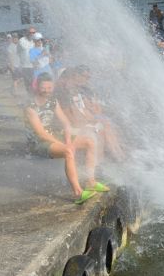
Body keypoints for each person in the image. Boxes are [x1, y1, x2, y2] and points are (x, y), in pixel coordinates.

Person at [25, 72, 109, 204]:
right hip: (38, 142)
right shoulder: (30, 107)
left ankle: (91, 181)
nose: (47, 91)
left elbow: (66, 123)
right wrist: (64, 144)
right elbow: (40, 133)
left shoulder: (53, 101)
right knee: (68, 152)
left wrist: (69, 141)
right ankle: (78, 193)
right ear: (37, 87)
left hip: (53, 137)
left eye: (49, 88)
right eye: (44, 88)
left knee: (90, 142)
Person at [19, 27, 36, 92]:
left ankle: (35, 96)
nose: (32, 34)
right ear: (27, 33)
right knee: (27, 83)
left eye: (33, 32)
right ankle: (29, 97)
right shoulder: (22, 40)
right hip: (25, 66)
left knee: (35, 83)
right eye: (30, 32)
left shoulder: (36, 40)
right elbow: (27, 50)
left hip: (34, 66)